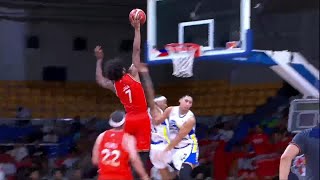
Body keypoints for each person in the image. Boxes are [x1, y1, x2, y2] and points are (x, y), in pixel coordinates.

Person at [94, 14, 151, 159]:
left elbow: (100, 80)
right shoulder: (132, 74)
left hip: (129, 119)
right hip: (143, 117)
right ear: (123, 70)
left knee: (129, 154)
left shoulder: (114, 85)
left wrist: (99, 60)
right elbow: (136, 51)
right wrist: (137, 29)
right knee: (144, 154)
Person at [92, 110, 149, 180]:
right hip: (122, 176)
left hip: (104, 177)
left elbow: (95, 160)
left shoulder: (102, 136)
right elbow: (134, 159)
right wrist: (144, 176)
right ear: (124, 122)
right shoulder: (128, 138)